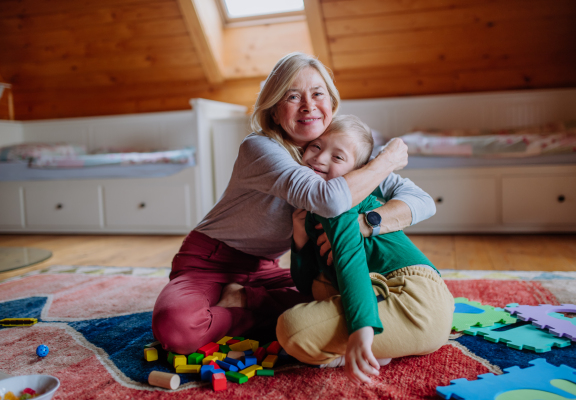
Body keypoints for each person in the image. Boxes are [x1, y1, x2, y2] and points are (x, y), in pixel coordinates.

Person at [151, 52, 435, 356]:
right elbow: (330, 200)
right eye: (292, 96)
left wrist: (367, 222)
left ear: (331, 103)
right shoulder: (260, 147)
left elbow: (423, 202)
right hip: (211, 260)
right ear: (274, 111)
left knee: (343, 296)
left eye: (317, 94)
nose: (308, 106)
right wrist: (385, 161)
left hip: (267, 268)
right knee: (177, 328)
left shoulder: (337, 148)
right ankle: (255, 314)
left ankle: (248, 300)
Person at [277, 115, 454, 384]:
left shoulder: (341, 201)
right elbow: (307, 285)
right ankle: (381, 344)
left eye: (337, 158)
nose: (320, 159)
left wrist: (362, 329)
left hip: (415, 299)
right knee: (319, 288)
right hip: (387, 292)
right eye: (315, 146)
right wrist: (300, 235)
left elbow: (350, 264)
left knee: (290, 329)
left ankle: (361, 346)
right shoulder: (311, 207)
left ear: (356, 171)